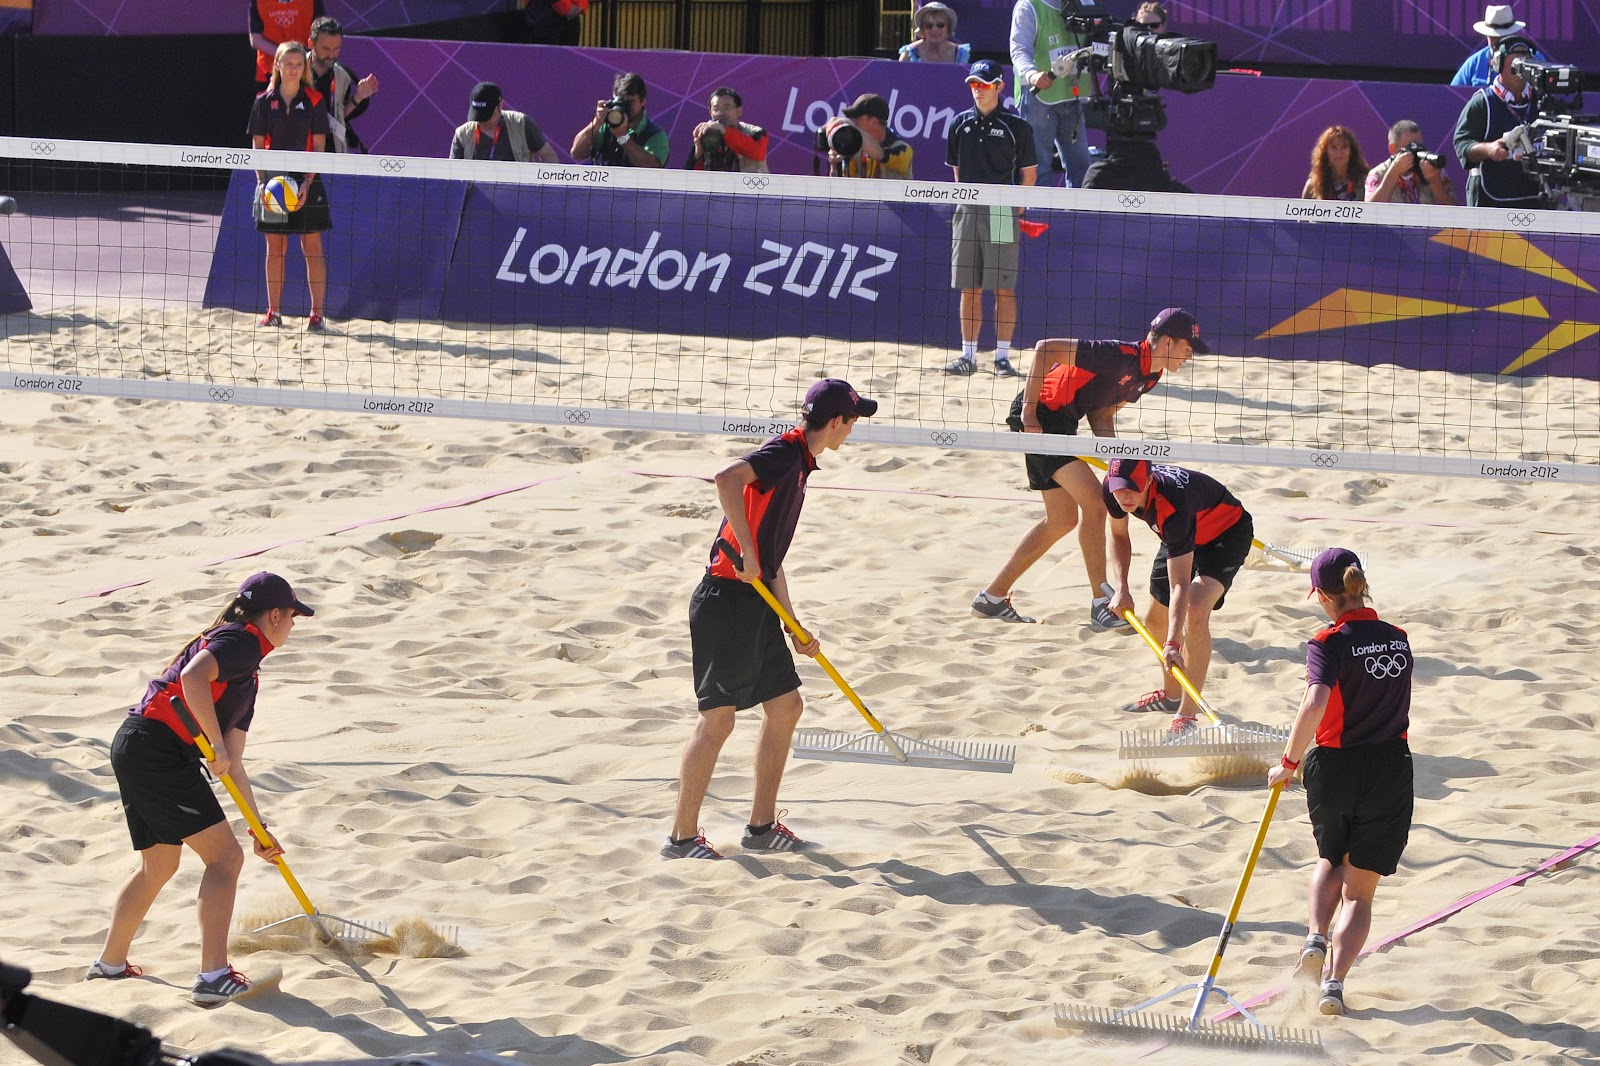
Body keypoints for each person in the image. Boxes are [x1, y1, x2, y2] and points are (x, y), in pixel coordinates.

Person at [664, 379, 878, 860]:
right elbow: (725, 479)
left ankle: (761, 828)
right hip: (727, 601)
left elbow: (771, 558)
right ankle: (681, 838)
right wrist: (744, 547)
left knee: (786, 708)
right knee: (717, 723)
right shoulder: (785, 451)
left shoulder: (801, 463)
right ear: (838, 422)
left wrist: (793, 624)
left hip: (756, 599)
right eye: (854, 419)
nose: (854, 427)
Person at [87, 573, 313, 1006]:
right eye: (292, 617)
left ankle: (109, 965)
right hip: (156, 750)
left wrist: (257, 827)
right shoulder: (241, 641)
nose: (294, 625)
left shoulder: (248, 673)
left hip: (137, 746)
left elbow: (233, 758)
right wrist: (211, 744)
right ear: (275, 615)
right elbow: (193, 678)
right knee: (224, 860)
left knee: (159, 865)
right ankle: (213, 977)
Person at [973, 309, 1205, 626]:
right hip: (1041, 418)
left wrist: (1119, 459)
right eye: (1188, 348)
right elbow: (1044, 348)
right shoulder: (1118, 356)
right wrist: (1029, 413)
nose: (1190, 356)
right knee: (1096, 504)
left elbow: (1102, 414)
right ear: (1167, 342)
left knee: (1061, 520)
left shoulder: (1151, 376)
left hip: (1064, 424)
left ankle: (992, 598)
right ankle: (1101, 602)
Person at [1267, 548, 1413, 1017]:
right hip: (1389, 765)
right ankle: (1334, 984)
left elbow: (1314, 703)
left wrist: (1287, 762)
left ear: (1326, 598)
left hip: (1332, 765)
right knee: (1360, 892)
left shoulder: (1327, 642)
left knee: (1330, 857)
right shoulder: (1398, 638)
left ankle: (1314, 936)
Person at [1101, 458, 1253, 734]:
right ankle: (1171, 697)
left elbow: (1179, 586)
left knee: (1195, 609)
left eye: (1132, 488)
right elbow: (1118, 536)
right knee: (1154, 621)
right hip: (1179, 536)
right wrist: (1121, 587)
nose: (1125, 495)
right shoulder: (1112, 489)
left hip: (1226, 534)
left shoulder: (1172, 502)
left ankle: (1187, 715)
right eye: (1120, 487)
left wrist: (1173, 643)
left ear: (1149, 481)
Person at [943, 60, 1038, 379]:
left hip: (1001, 209)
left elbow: (1029, 174)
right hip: (968, 209)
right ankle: (967, 355)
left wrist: (1018, 207)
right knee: (968, 288)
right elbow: (956, 171)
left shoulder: (1017, 126)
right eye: (973, 85)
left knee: (1002, 288)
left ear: (1000, 86)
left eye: (984, 85)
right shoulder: (959, 124)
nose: (978, 90)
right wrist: (966, 201)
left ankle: (1001, 357)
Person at [248, 41, 331, 331]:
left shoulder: (315, 100)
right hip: (274, 180)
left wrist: (308, 181)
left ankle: (317, 314)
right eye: (289, 63)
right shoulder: (263, 101)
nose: (294, 69)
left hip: (306, 178)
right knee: (276, 248)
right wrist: (261, 182)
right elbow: (257, 147)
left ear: (304, 68)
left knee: (312, 246)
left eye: (299, 64)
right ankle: (273, 312)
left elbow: (320, 147)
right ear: (278, 66)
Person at [1454, 35, 1549, 209]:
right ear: (1497, 63)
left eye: (1527, 58)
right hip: (1491, 202)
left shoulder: (1541, 100)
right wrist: (1488, 149)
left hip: (1535, 201)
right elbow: (1462, 144)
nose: (1523, 63)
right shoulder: (1483, 102)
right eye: (1517, 59)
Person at [1010, 0, 1093, 189]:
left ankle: (1078, 217)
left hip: (1072, 95)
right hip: (1038, 96)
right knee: (1038, 167)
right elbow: (1019, 49)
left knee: (1080, 165)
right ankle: (1041, 216)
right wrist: (1032, 74)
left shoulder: (1084, 3)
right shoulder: (1029, 6)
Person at [307, 17, 378, 154]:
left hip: (331, 150)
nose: (332, 54)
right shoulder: (294, 68)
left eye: (336, 48)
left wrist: (358, 97)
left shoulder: (343, 76)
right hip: (298, 147)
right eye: (326, 48)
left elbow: (339, 116)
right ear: (311, 43)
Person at [571, 72, 668, 168]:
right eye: (620, 102)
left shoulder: (656, 135)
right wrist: (596, 123)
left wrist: (622, 137)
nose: (625, 107)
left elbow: (652, 167)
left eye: (630, 102)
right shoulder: (606, 128)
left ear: (643, 101)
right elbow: (577, 154)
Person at [450, 82, 558, 163]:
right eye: (478, 117)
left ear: (500, 105)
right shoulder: (462, 135)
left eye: (487, 116)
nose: (482, 122)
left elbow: (549, 155)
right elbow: (452, 175)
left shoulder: (521, 124)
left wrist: (537, 185)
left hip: (518, 191)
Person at [1451, 5, 1548, 88]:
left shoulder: (1536, 60)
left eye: (1505, 37)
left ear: (1514, 34)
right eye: (1494, 37)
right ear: (1487, 36)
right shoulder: (1474, 63)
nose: (1500, 43)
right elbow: (1454, 96)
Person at [1364, 120, 1456, 205]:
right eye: (1410, 148)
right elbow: (1369, 212)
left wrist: (1434, 181)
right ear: (1392, 149)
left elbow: (1452, 213)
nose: (1415, 152)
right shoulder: (1377, 174)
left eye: (1419, 147)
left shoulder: (1433, 169)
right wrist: (1392, 175)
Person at [827, 94, 913, 179]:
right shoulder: (855, 149)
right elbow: (844, 187)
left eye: (857, 118)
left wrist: (853, 127)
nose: (853, 122)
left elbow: (880, 155)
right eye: (851, 118)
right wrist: (834, 165)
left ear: (874, 121)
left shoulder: (903, 150)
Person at [686, 86, 770, 174]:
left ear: (739, 111)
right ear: (710, 113)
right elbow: (689, 179)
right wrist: (698, 155)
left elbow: (758, 153)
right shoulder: (707, 134)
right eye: (716, 109)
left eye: (726, 108)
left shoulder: (756, 132)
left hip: (750, 186)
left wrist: (725, 132)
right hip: (719, 186)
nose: (721, 113)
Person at [249, 0, 323, 94]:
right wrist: (286, 56)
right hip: (269, 70)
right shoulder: (259, 1)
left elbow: (321, 35)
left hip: (303, 70)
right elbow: (255, 40)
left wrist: (298, 58)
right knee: (266, 106)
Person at [1302, 126, 1370, 201]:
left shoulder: (1365, 180)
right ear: (1325, 152)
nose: (1339, 152)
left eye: (1344, 146)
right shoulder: (1313, 186)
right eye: (1333, 147)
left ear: (1351, 151)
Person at [898, 2, 970, 64]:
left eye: (940, 25)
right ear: (923, 29)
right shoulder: (909, 53)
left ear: (948, 28)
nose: (934, 29)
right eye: (929, 25)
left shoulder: (960, 54)